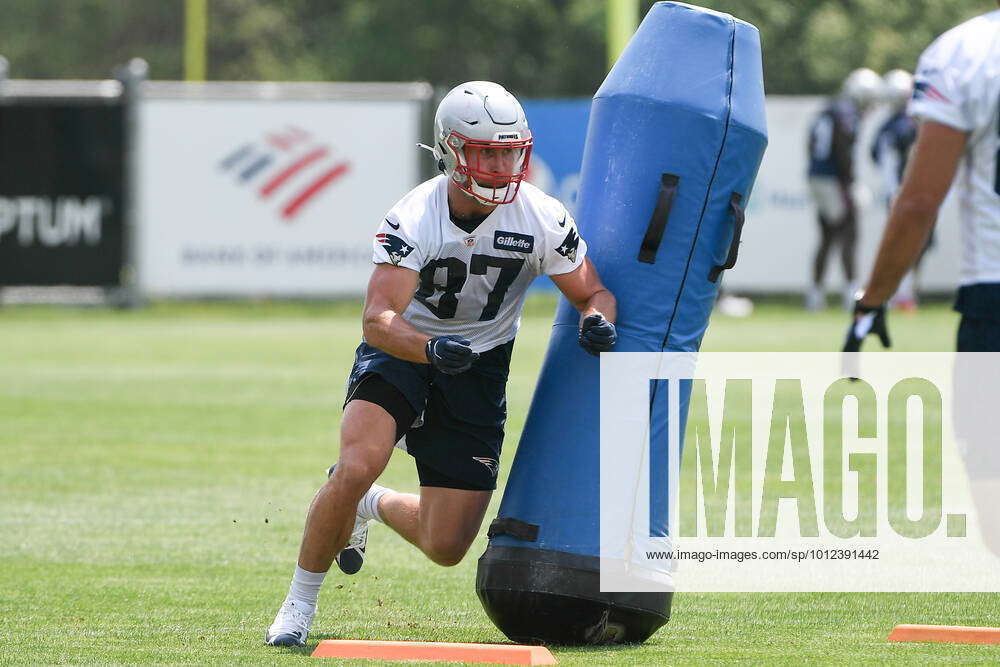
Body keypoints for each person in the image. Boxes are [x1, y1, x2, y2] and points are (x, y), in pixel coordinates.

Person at [264, 81, 618, 647]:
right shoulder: (416, 215)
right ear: (452, 153)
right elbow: (377, 318)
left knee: (446, 545)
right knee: (359, 463)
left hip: (479, 369)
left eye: (510, 152)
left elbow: (592, 291)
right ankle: (299, 603)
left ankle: (370, 507)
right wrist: (427, 349)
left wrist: (597, 319)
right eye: (487, 153)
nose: (502, 166)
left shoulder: (543, 216)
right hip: (404, 350)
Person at [844, 5, 1000, 353]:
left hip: (993, 290)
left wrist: (872, 299)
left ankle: (901, 294)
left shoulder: (966, 50)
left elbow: (919, 202)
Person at [805, 67, 882, 311]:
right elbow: (842, 150)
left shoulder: (831, 108)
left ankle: (815, 294)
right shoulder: (846, 114)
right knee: (850, 232)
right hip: (833, 179)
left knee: (827, 236)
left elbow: (812, 144)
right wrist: (849, 183)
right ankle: (852, 294)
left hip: (819, 176)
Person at [869, 69, 924, 311]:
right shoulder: (904, 125)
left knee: (902, 242)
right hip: (903, 190)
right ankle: (902, 293)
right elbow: (890, 160)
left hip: (897, 190)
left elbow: (876, 155)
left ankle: (901, 291)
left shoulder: (889, 125)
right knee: (909, 242)